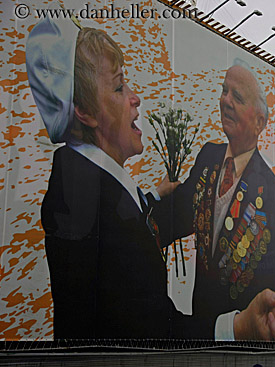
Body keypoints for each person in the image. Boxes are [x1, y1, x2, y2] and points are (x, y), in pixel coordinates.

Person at [26, 17, 189, 338]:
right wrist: (234, 327)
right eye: (118, 86)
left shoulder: (80, 178)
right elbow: (147, 325)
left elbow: (118, 211)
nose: (135, 98)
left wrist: (154, 196)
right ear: (84, 112)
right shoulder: (80, 195)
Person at [156, 60, 275, 342]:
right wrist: (141, 225)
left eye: (237, 97)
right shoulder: (208, 157)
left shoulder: (273, 194)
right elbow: (176, 215)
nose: (225, 101)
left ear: (259, 123)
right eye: (224, 91)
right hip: (200, 336)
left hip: (240, 344)